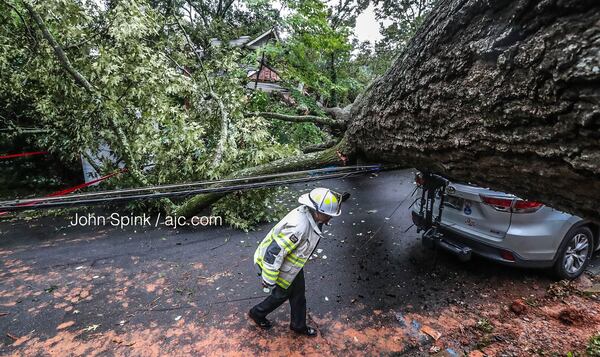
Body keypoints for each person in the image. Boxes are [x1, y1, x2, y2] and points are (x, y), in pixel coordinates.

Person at [248, 187, 349, 336]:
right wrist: (268, 279)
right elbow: (274, 252)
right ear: (317, 212)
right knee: (281, 295)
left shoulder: (313, 215)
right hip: (277, 266)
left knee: (298, 295)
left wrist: (339, 200)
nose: (330, 218)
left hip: (292, 266)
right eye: (328, 215)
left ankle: (298, 325)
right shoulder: (298, 228)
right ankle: (257, 313)